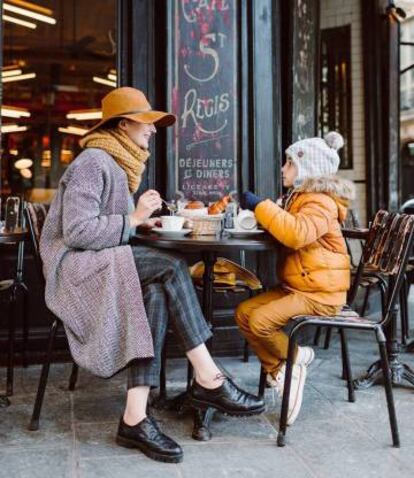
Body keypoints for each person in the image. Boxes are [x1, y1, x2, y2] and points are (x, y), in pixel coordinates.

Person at [39, 87, 265, 464]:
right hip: (75, 271)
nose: (154, 130)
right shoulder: (92, 162)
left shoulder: (116, 163)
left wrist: (146, 222)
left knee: (157, 293)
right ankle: (209, 379)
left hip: (101, 261)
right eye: (147, 122)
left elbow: (111, 228)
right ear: (124, 124)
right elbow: (78, 233)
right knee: (172, 265)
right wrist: (134, 219)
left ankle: (135, 417)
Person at [236, 131, 355, 425]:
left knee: (261, 322)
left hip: (321, 294)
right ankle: (282, 371)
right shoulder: (301, 198)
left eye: (289, 163)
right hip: (300, 284)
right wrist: (272, 211)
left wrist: (261, 206)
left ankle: (294, 361)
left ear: (307, 168)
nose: (282, 169)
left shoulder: (320, 202)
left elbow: (296, 233)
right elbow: (289, 229)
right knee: (244, 313)